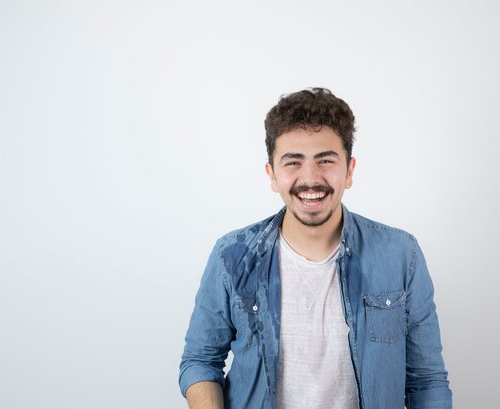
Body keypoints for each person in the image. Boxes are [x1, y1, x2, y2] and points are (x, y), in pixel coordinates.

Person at [179, 88, 452, 409]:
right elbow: (200, 360)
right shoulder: (231, 254)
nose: (310, 178)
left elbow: (426, 380)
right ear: (272, 174)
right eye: (293, 162)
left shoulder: (401, 254)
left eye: (325, 160)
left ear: (349, 171)